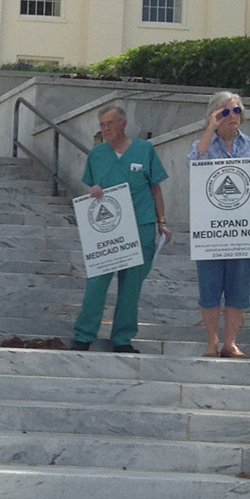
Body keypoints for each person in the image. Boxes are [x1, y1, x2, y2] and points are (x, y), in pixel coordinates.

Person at [71, 104, 172, 354]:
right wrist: (93, 192)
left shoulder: (144, 150)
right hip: (108, 229)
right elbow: (92, 188)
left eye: (109, 124)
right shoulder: (97, 155)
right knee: (97, 282)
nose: (105, 129)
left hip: (141, 225)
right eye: (102, 125)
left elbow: (155, 188)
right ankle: (84, 334)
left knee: (131, 285)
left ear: (123, 124)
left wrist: (162, 221)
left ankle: (123, 338)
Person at [188, 91, 250, 358]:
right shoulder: (204, 144)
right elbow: (194, 163)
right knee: (210, 286)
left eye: (236, 111)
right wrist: (210, 129)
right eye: (226, 112)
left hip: (241, 232)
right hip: (211, 231)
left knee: (238, 288)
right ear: (215, 115)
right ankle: (212, 341)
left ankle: (230, 342)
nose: (233, 116)